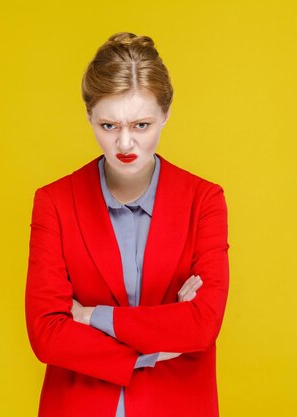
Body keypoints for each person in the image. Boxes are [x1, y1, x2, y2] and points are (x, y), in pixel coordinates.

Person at [25, 32, 230, 417]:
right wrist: (157, 346)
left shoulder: (204, 201)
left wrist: (89, 317)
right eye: (108, 125)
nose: (124, 144)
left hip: (178, 405)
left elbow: (201, 326)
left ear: (166, 115)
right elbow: (47, 335)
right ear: (89, 116)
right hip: (79, 406)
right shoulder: (53, 203)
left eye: (140, 125)